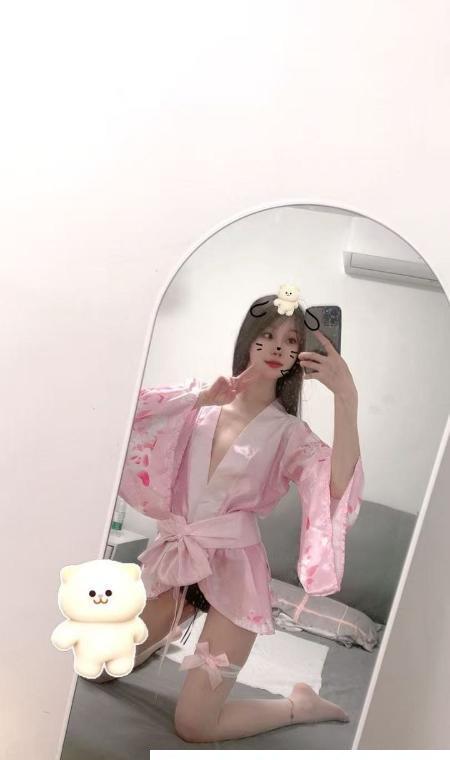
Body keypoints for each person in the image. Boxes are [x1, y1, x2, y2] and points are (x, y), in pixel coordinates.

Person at [102, 290, 364, 743]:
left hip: (235, 576)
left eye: (291, 340)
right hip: (177, 556)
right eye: (268, 335)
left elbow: (337, 484)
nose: (277, 347)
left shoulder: (290, 433)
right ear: (249, 340)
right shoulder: (201, 404)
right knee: (101, 668)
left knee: (194, 726)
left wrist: (347, 397)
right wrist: (198, 398)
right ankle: (170, 623)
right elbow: (122, 416)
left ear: (299, 356)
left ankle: (298, 704)